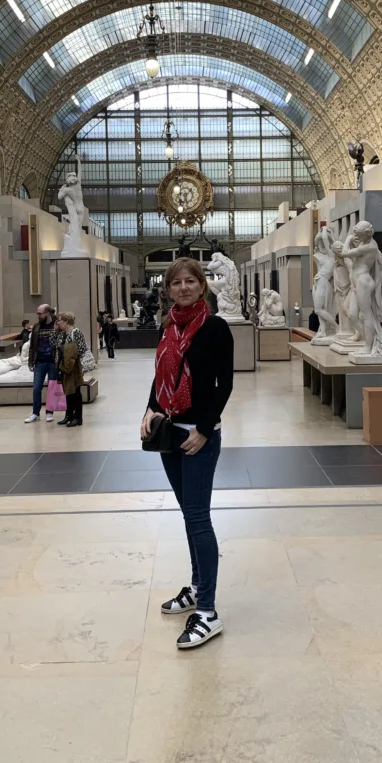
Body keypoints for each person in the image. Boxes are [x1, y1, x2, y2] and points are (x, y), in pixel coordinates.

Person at [141, 258, 234, 650]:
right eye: (175, 282)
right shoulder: (168, 327)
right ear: (168, 289)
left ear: (202, 286)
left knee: (198, 519)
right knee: (187, 513)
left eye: (190, 281)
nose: (183, 287)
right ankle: (197, 587)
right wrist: (149, 407)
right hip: (168, 434)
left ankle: (208, 612)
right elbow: (162, 375)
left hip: (198, 435)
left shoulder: (215, 328)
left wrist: (204, 428)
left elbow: (223, 385)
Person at [53, 311, 87, 428]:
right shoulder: (62, 334)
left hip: (74, 366)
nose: (58, 323)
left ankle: (78, 417)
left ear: (66, 321)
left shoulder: (76, 332)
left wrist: (72, 358)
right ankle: (69, 415)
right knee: (68, 391)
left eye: (60, 321)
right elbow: (52, 343)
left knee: (75, 391)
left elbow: (82, 348)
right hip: (64, 366)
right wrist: (56, 330)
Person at [25, 304, 57, 423]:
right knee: (36, 388)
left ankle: (49, 412)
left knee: (52, 388)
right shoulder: (37, 327)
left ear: (47, 313)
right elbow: (32, 346)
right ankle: (35, 413)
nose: (38, 316)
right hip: (39, 362)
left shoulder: (56, 325)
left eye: (40, 313)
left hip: (52, 362)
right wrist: (30, 362)